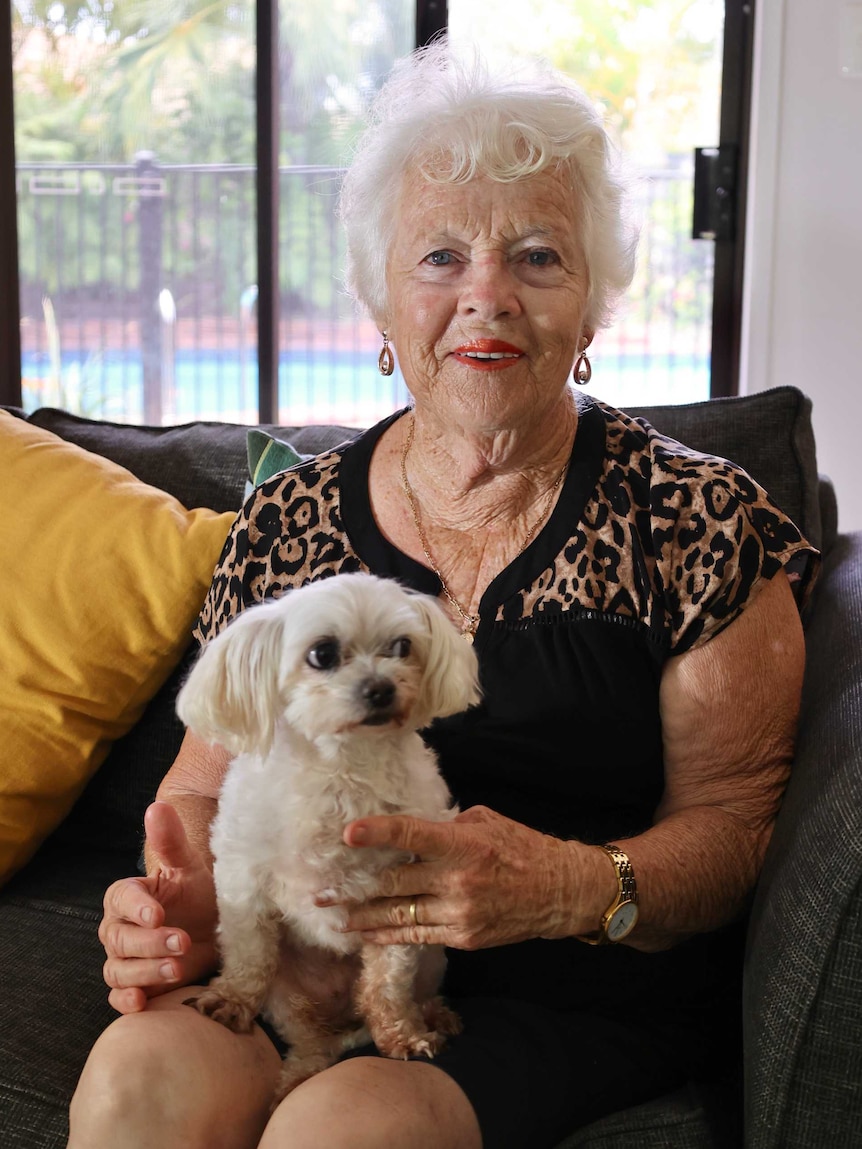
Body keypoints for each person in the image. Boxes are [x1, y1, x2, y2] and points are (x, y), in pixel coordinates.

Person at [68, 44, 818, 1149]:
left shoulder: (693, 519)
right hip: (299, 959)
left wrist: (565, 886)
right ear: (381, 302)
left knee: (340, 1130)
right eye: (440, 256)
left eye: (536, 256)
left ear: (592, 306)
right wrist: (167, 902)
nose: (487, 297)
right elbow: (196, 797)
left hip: (571, 983)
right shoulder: (287, 524)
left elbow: (738, 829)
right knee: (141, 1085)